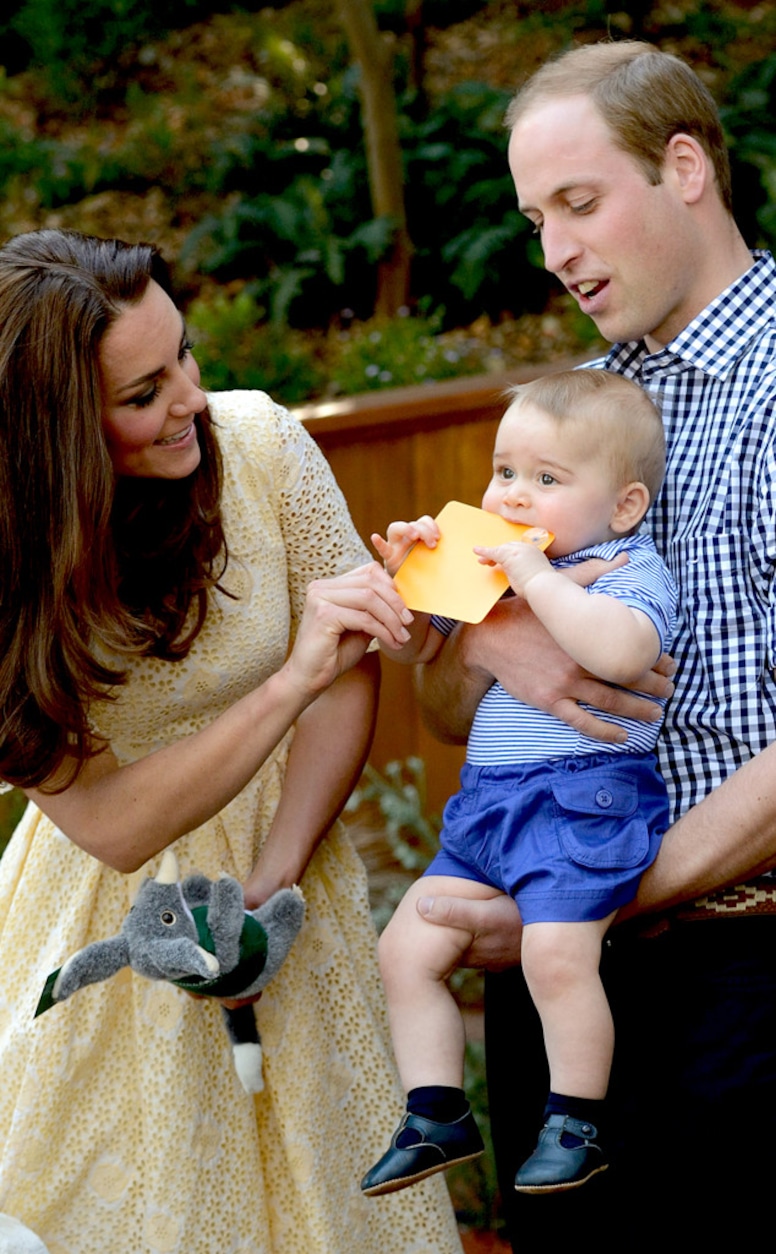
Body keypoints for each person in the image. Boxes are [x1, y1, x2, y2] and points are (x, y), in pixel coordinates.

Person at [0, 228, 464, 1254]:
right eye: (142, 394)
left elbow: (345, 673)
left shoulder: (259, 444)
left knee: (327, 1204)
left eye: (186, 358)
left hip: (285, 866)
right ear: (57, 434)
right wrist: (289, 676)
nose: (193, 401)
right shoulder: (12, 573)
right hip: (108, 919)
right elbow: (113, 829)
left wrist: (275, 879)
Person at [411, 38, 776, 1244]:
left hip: (743, 976)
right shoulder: (562, 415)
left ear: (683, 168)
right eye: (533, 221)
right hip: (556, 972)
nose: (556, 253)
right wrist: (481, 645)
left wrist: (599, 899)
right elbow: (447, 715)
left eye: (577, 203)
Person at [359, 370, 676, 1198]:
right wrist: (411, 579)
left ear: (624, 507)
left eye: (547, 480)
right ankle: (434, 1113)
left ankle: (576, 1119)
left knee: (555, 955)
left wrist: (530, 583)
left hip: (583, 799)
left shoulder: (625, 569)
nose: (515, 496)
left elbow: (620, 654)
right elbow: (411, 652)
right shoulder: (489, 569)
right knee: (404, 950)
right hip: (489, 809)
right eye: (505, 472)